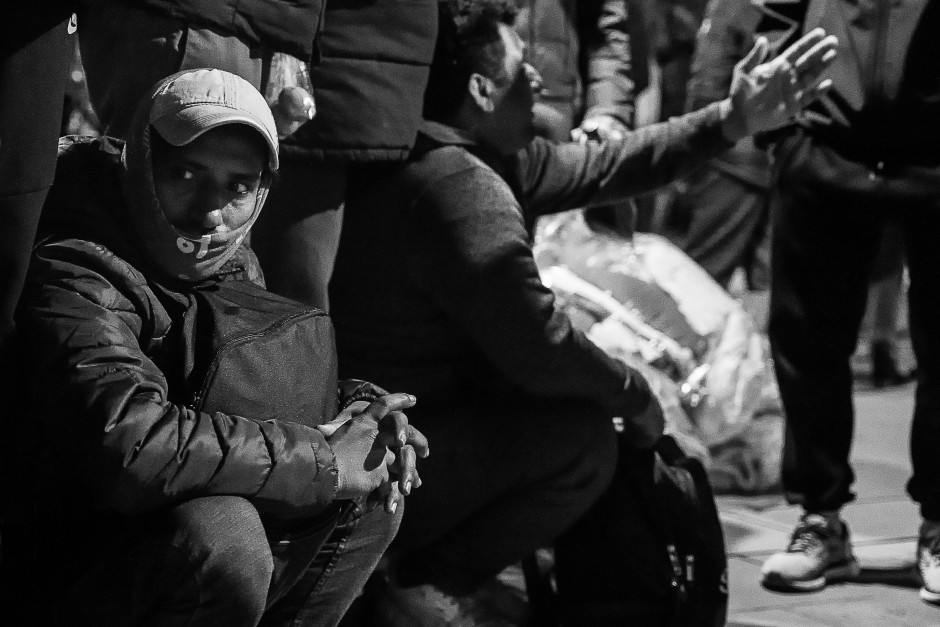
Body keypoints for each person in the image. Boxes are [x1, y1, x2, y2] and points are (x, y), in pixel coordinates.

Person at [327, 0, 836, 622]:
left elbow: (609, 164)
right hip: (397, 453)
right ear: (482, 90)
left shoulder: (474, 158)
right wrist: (634, 395)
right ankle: (418, 585)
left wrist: (731, 119)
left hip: (420, 424)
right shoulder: (459, 189)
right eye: (522, 66)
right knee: (582, 443)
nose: (538, 78)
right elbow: (543, 348)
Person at [0, 68, 428, 626]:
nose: (210, 212)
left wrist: (354, 416)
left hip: (142, 534)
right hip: (56, 558)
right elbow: (126, 441)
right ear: (140, 161)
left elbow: (220, 384)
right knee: (224, 536)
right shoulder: (76, 267)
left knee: (371, 486)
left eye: (237, 188)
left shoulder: (232, 257)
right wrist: (323, 458)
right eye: (185, 173)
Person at [756, 0, 940, 605]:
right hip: (824, 139)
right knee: (806, 339)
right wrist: (780, 130)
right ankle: (820, 519)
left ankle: (939, 526)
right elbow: (777, 11)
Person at [659, 0, 774, 325]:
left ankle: (724, 353)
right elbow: (708, 83)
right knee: (721, 282)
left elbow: (706, 83)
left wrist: (694, 153)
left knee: (709, 283)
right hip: (755, 161)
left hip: (742, 159)